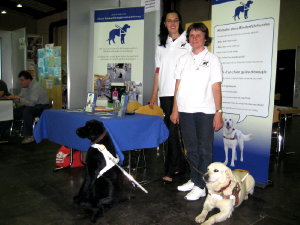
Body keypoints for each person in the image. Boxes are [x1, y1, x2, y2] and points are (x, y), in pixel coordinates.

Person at [170, 23, 223, 201]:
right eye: (191, 35)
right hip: (185, 110)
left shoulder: (213, 59)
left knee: (204, 150)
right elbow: (177, 87)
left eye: (198, 35)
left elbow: (216, 87)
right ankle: (194, 179)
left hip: (205, 111)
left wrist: (218, 112)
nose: (194, 38)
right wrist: (175, 110)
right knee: (191, 149)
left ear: (205, 38)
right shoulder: (183, 59)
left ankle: (202, 186)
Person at [149, 10, 191, 183]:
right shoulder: (161, 46)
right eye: (169, 20)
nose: (172, 23)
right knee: (172, 132)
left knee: (174, 132)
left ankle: (170, 168)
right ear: (164, 24)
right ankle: (181, 166)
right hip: (165, 95)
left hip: (182, 93)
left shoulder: (188, 42)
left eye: (175, 20)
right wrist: (154, 94)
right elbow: (158, 72)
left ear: (180, 22)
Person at [4, 71, 50, 144]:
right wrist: (12, 98)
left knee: (27, 111)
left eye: (22, 80)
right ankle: (8, 130)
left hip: (42, 106)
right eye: (20, 80)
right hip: (31, 105)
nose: (20, 82)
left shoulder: (36, 87)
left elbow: (31, 103)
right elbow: (21, 98)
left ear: (29, 80)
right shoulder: (24, 87)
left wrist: (18, 99)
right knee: (14, 112)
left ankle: (29, 136)